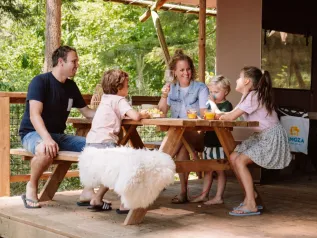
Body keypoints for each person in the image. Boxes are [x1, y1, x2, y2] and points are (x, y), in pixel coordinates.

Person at [19, 45, 95, 208]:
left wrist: (115, 113)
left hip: (58, 136)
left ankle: (88, 191)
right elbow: (34, 115)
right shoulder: (40, 81)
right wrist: (46, 139)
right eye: (73, 61)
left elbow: (88, 112)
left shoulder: (71, 86)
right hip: (32, 133)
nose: (77, 65)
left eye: (77, 61)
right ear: (61, 62)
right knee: (45, 151)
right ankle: (31, 186)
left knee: (95, 147)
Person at [218, 66, 291, 216]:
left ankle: (251, 204)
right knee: (233, 157)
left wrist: (214, 108)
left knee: (239, 161)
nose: (237, 80)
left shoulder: (253, 96)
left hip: (271, 137)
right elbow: (230, 114)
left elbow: (230, 117)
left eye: (239, 77)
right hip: (261, 136)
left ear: (246, 81)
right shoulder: (247, 97)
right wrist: (217, 111)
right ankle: (251, 196)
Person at [82, 69, 150, 213]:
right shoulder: (119, 100)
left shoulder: (105, 98)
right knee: (123, 169)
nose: (128, 87)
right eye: (127, 85)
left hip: (91, 143)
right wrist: (143, 113)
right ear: (119, 88)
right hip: (105, 142)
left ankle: (97, 198)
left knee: (110, 171)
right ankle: (125, 203)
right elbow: (135, 116)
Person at [158, 49, 209, 204]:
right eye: (181, 70)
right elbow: (162, 112)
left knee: (178, 139)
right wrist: (164, 95)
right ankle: (183, 192)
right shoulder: (171, 88)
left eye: (188, 69)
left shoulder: (201, 88)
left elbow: (204, 113)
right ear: (174, 72)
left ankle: (157, 168)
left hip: (196, 133)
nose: (186, 73)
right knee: (181, 151)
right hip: (177, 136)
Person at [190, 75, 233, 205]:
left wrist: (213, 105)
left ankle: (218, 197)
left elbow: (220, 116)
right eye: (211, 92)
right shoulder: (210, 105)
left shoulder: (227, 105)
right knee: (207, 169)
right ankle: (204, 195)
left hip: (220, 143)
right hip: (208, 142)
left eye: (216, 92)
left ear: (225, 92)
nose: (213, 95)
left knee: (219, 170)